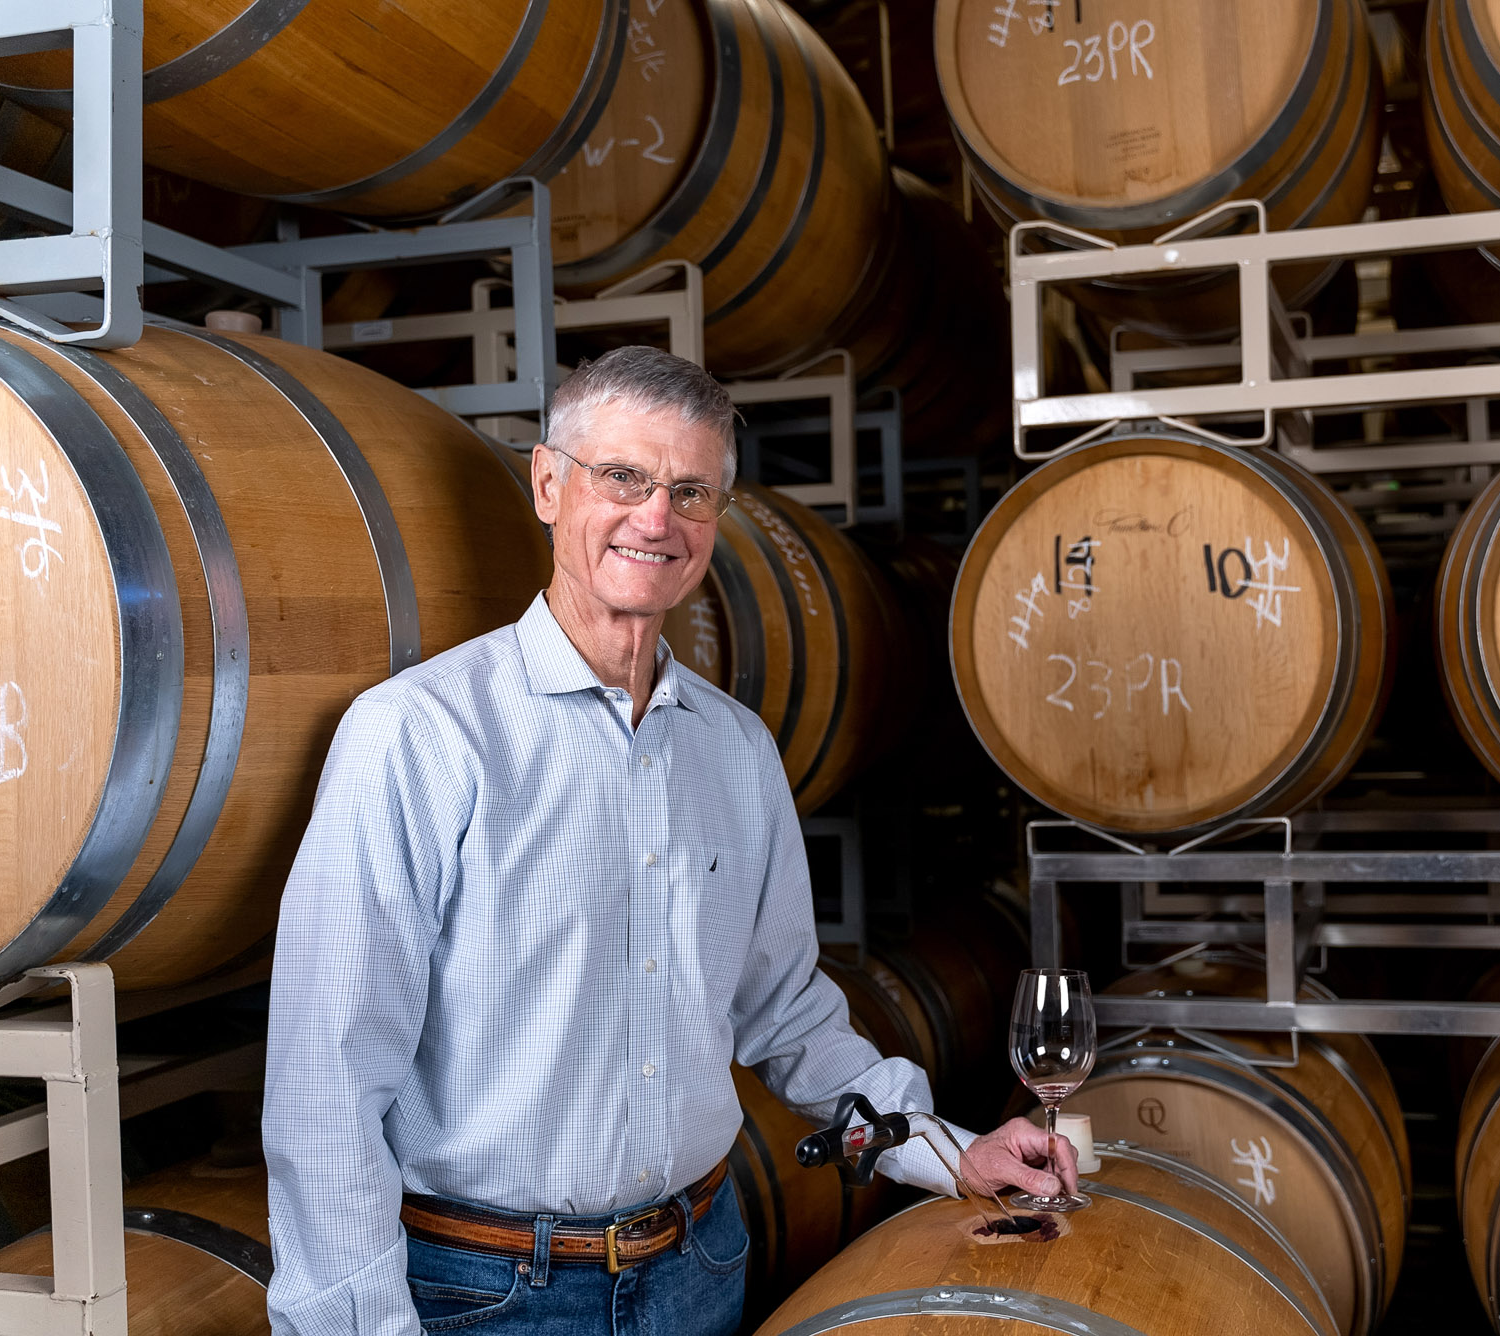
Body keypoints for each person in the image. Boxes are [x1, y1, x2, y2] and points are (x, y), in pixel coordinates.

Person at [262, 347, 1074, 1336]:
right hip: (485, 1294)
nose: (656, 517)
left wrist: (944, 1151)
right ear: (548, 483)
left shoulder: (735, 752)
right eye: (623, 478)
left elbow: (790, 1020)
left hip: (699, 1263)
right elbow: (326, 1080)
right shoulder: (419, 736)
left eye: (690, 490)